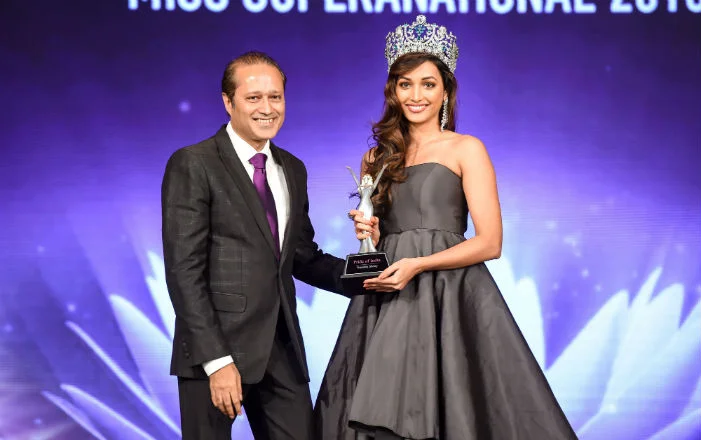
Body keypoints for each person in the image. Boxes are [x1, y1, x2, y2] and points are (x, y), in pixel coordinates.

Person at [315, 16, 578, 440]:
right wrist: (371, 234)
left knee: (459, 406)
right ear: (393, 90)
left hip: (450, 295)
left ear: (446, 91)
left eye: (428, 84)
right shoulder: (376, 158)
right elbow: (383, 239)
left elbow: (490, 242)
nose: (416, 95)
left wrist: (418, 264)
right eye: (405, 84)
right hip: (389, 295)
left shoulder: (466, 149)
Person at [161, 51, 346, 440]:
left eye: (275, 97)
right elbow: (184, 271)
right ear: (228, 102)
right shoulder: (194, 163)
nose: (267, 108)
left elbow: (301, 255)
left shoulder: (292, 168)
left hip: (281, 347)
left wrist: (366, 275)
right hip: (215, 349)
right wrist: (216, 361)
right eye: (254, 98)